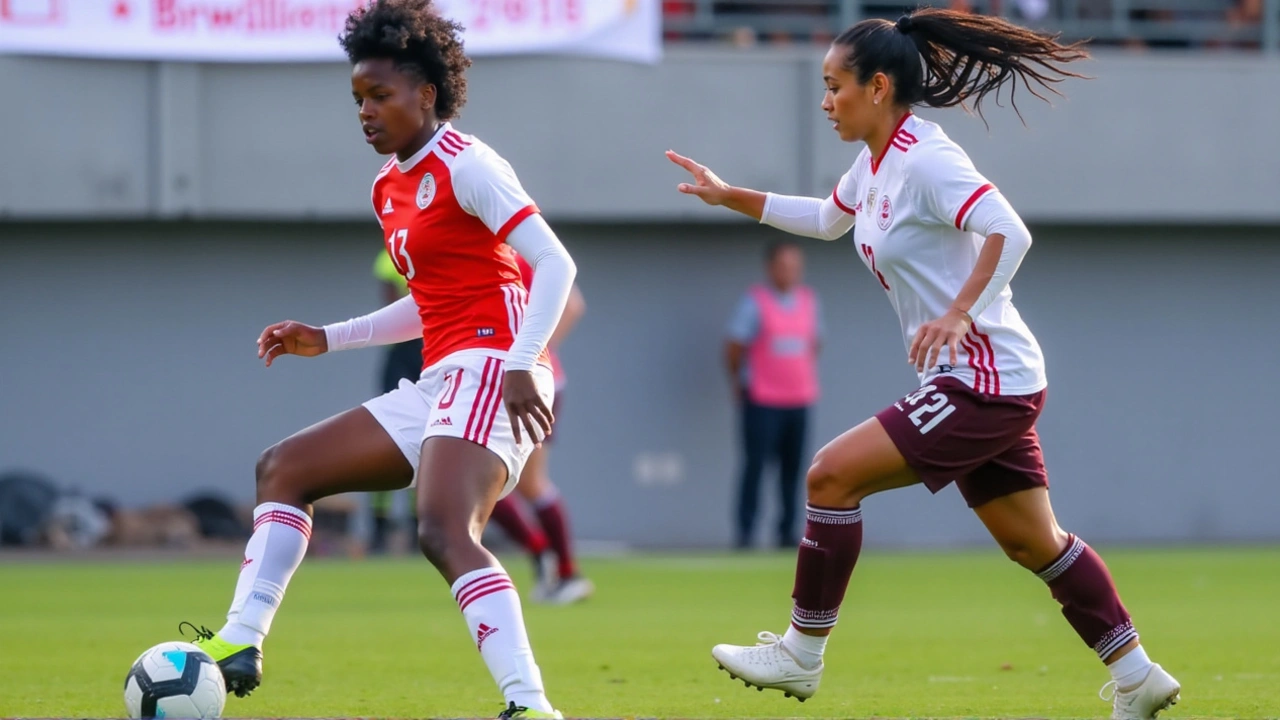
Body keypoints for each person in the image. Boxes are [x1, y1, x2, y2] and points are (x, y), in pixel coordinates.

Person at [666, 9, 1180, 719]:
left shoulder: (927, 159)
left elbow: (1010, 230)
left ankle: (800, 655)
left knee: (830, 475)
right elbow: (824, 219)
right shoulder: (875, 161)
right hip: (986, 382)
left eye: (834, 86)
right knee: (1035, 543)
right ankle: (1137, 674)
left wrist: (961, 310)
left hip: (986, 382)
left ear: (878, 87)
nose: (824, 102)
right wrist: (733, 196)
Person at [179, 2, 575, 717]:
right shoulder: (388, 186)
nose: (366, 111)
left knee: (443, 530)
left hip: (494, 368)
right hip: (441, 375)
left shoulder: (469, 164)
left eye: (381, 96)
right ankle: (240, 639)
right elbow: (429, 302)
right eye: (358, 98)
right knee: (283, 468)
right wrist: (327, 336)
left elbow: (555, 263)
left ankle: (531, 705)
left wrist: (522, 360)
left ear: (426, 93)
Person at [487, 256, 595, 604]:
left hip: (524, 380)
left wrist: (534, 352)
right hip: (507, 378)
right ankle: (555, 564)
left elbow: (574, 304)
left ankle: (558, 566)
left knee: (492, 482)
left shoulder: (518, 248)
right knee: (498, 483)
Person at [725, 240, 822, 549]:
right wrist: (741, 383)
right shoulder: (755, 302)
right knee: (755, 467)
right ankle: (746, 533)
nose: (789, 273)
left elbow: (815, 343)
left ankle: (787, 533)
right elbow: (734, 346)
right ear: (770, 268)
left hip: (799, 400)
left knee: (794, 471)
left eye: (795, 267)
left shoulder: (809, 301)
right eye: (783, 266)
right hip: (762, 400)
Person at [368, 248, 425, 554]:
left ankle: (419, 526)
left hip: (426, 349)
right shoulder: (388, 257)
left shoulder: (428, 245)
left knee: (427, 440)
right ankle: (380, 525)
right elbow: (389, 303)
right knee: (386, 436)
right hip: (402, 351)